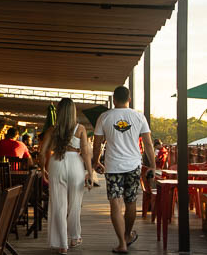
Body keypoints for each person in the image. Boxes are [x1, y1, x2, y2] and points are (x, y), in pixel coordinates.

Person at [93, 86, 156, 254]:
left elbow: (97, 144)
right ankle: (127, 235)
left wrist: (95, 161)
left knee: (115, 204)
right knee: (131, 203)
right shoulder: (138, 116)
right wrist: (153, 165)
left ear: (114, 99)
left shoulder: (104, 117)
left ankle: (121, 243)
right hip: (133, 165)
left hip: (113, 166)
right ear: (129, 99)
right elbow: (149, 144)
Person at [39, 98, 93, 254]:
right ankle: (75, 237)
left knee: (58, 205)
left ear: (60, 112)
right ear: (73, 112)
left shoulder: (51, 130)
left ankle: (62, 244)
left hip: (56, 164)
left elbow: (42, 153)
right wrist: (89, 172)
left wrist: (43, 169)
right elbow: (86, 153)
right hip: (75, 163)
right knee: (75, 204)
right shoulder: (80, 128)